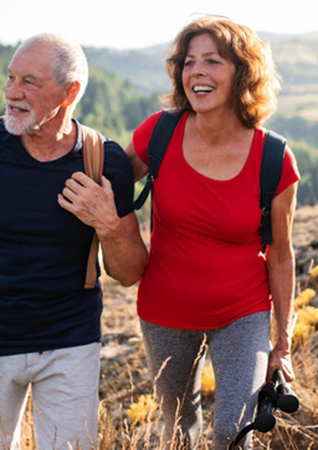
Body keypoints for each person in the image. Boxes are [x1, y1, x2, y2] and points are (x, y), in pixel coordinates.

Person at [0, 33, 148, 450]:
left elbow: (130, 273)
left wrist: (107, 225)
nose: (11, 93)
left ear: (69, 91)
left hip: (71, 345)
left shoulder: (103, 159)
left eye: (28, 82)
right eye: (9, 78)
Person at [125, 16, 300, 450]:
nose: (196, 71)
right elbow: (106, 184)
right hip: (165, 309)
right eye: (188, 62)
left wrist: (283, 340)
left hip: (243, 311)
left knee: (232, 431)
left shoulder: (274, 158)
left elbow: (280, 255)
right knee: (179, 432)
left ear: (242, 72)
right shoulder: (159, 133)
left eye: (212, 61)